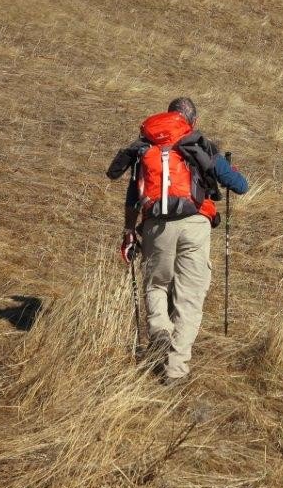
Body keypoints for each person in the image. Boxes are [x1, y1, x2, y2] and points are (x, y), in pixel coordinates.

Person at [106, 97, 248, 385]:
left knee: (156, 284)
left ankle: (159, 328)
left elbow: (133, 197)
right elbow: (240, 186)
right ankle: (176, 370)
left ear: (168, 115)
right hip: (195, 224)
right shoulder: (197, 143)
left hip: (156, 225)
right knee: (189, 298)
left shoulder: (147, 146)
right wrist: (228, 169)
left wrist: (129, 231)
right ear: (191, 120)